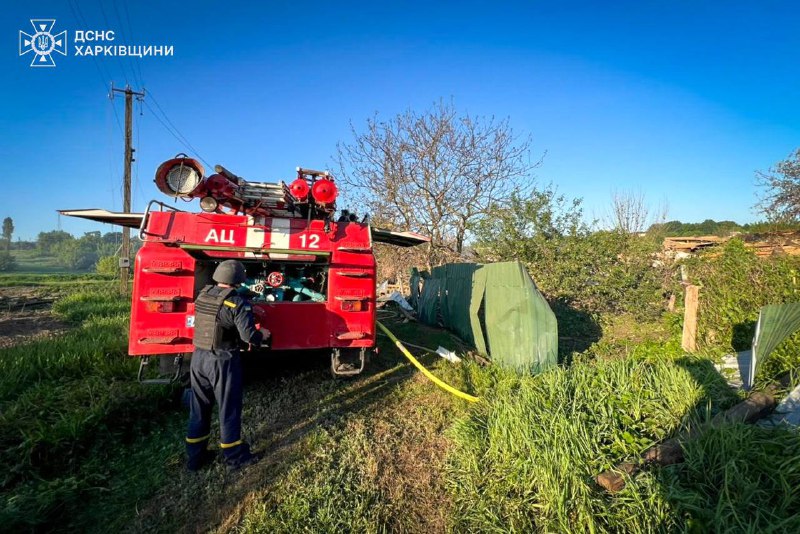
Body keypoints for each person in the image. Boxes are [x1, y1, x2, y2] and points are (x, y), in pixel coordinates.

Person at [185, 259, 270, 471]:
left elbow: (216, 316)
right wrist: (262, 336)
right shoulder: (237, 303)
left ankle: (195, 457)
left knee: (199, 407)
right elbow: (248, 335)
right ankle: (234, 456)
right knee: (228, 407)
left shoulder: (204, 295)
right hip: (222, 360)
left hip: (198, 358)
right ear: (238, 280)